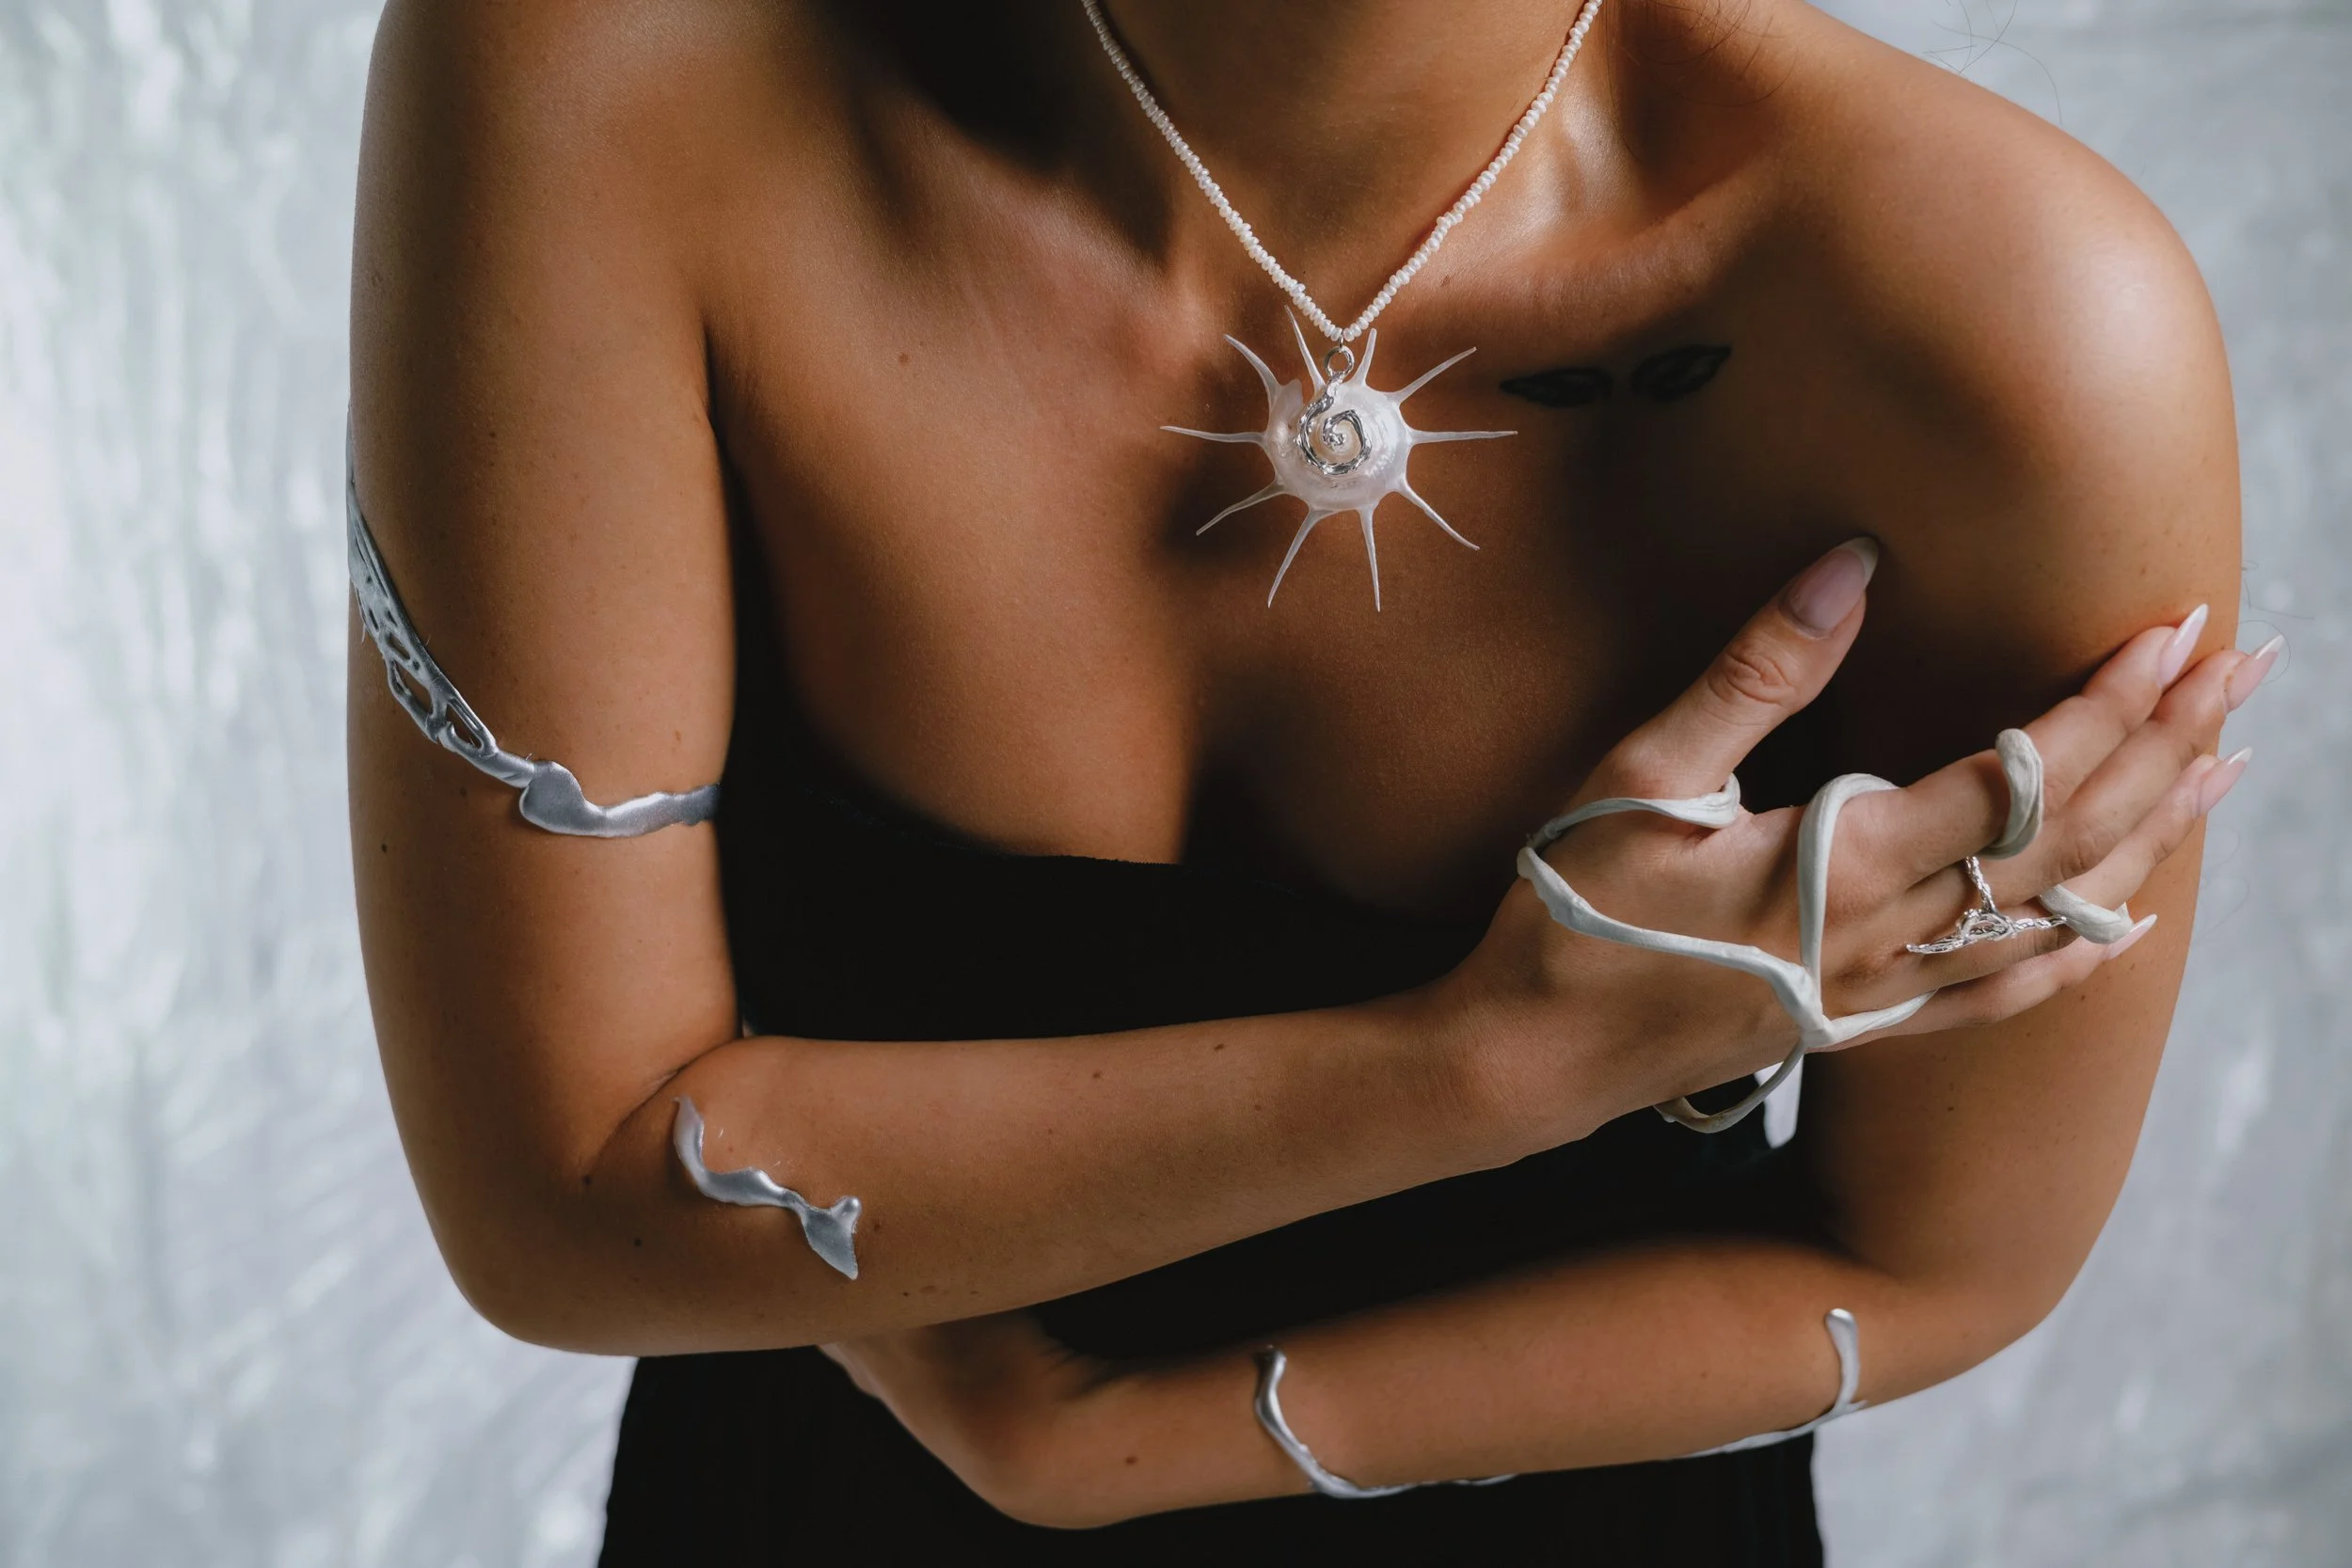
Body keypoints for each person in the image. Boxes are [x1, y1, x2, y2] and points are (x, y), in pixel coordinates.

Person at [345, 0, 2260, 1559]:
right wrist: (1492, 1061)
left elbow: (1926, 1259)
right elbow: (557, 1192)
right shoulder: (613, 66)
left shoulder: (1994, 323)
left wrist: (1110, 1442)